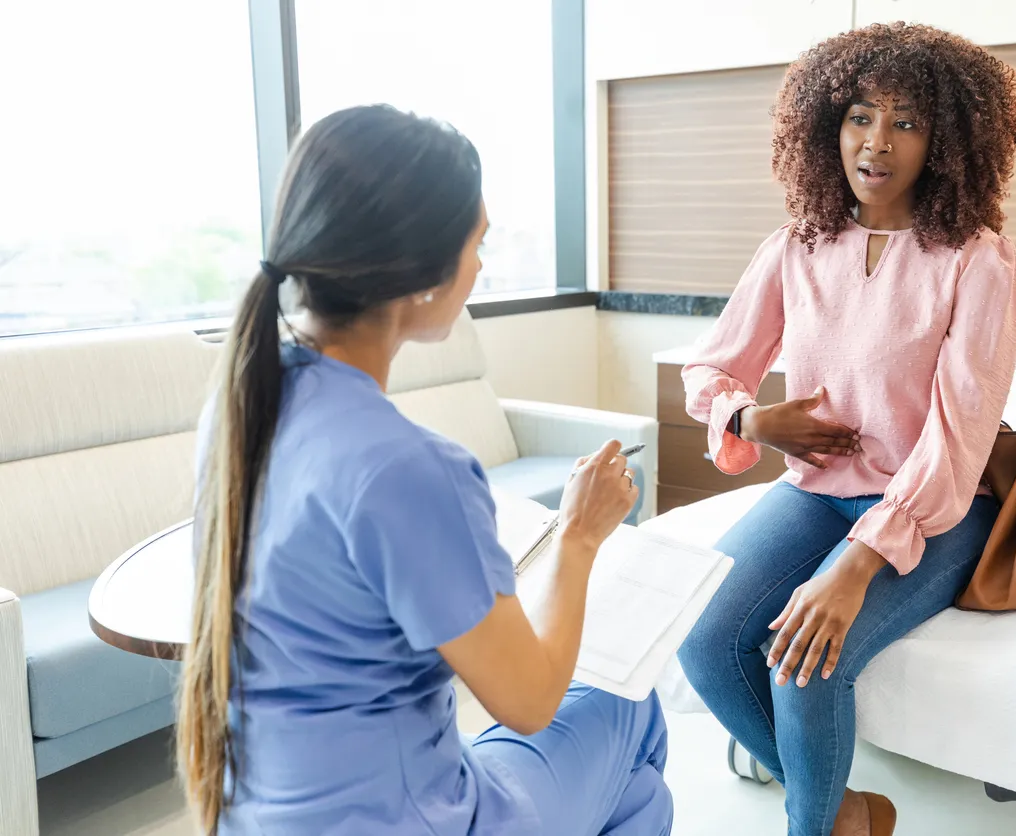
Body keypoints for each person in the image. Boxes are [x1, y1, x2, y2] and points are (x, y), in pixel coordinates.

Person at [177, 105, 671, 836]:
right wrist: (579, 536)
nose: (481, 265)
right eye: (478, 243)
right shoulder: (407, 467)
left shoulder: (243, 404)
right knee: (632, 710)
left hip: (266, 813)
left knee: (638, 797)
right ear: (421, 276)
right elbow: (529, 701)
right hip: (408, 819)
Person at [676, 23, 1016, 836]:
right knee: (703, 640)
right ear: (827, 126)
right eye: (860, 116)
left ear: (946, 140)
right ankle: (845, 817)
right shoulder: (795, 247)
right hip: (814, 493)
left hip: (932, 510)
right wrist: (754, 419)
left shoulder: (977, 261)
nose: (877, 142)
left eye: (906, 121)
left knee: (802, 667)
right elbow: (711, 367)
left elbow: (959, 433)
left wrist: (858, 564)